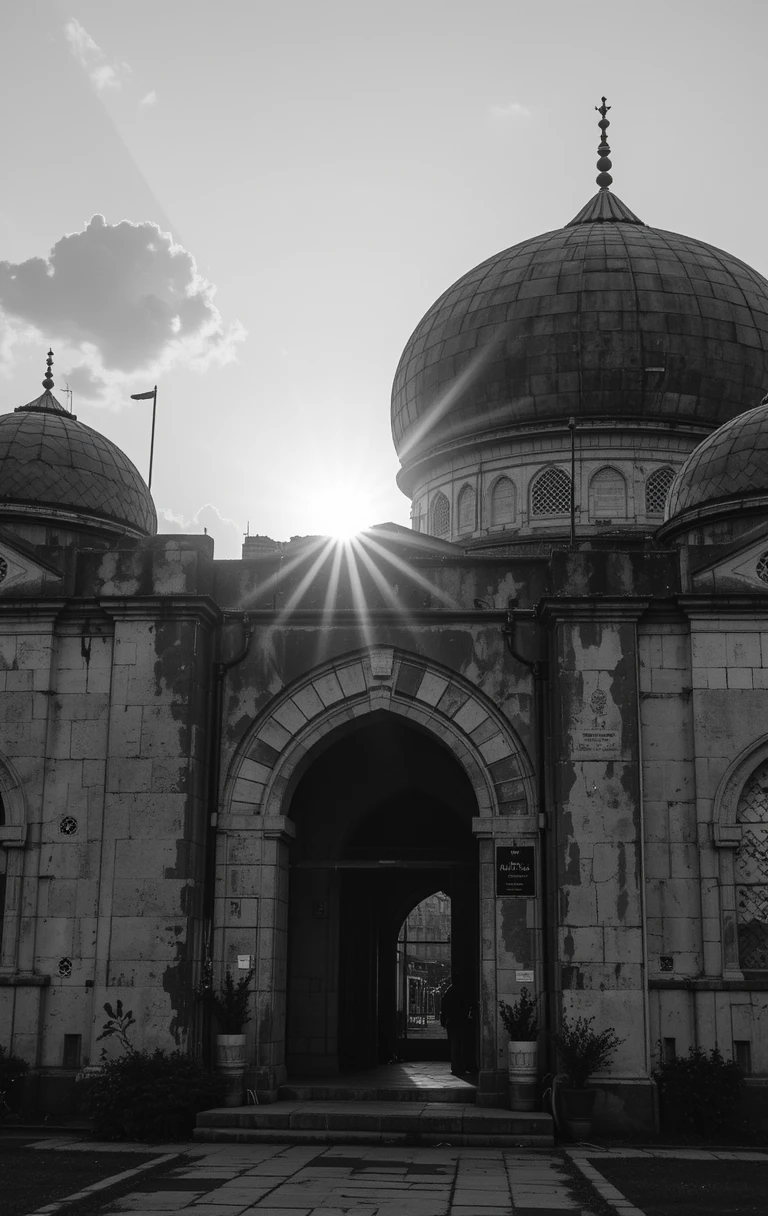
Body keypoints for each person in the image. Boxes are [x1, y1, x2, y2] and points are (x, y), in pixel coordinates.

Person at [440, 982, 471, 1075]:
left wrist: (444, 1019)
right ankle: (461, 1066)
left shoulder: (449, 991)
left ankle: (455, 1066)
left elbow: (444, 1006)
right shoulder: (462, 991)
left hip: (452, 1021)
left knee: (454, 1044)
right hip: (460, 1020)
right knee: (461, 1044)